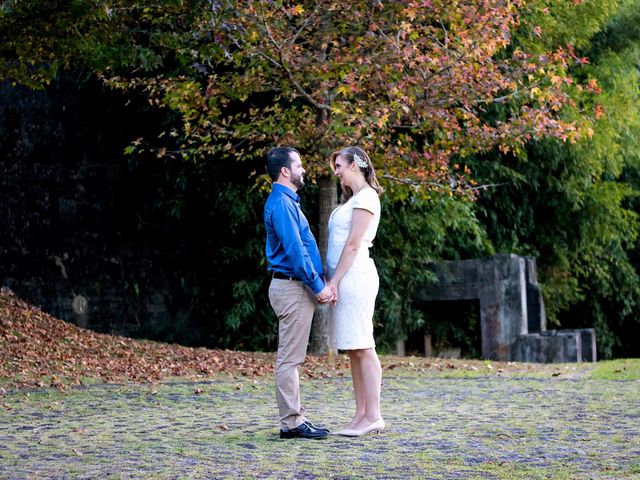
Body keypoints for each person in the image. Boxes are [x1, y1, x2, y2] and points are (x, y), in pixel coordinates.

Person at [264, 146, 335, 440]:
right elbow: (294, 250)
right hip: (291, 287)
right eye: (299, 165)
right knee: (290, 359)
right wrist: (317, 286)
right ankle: (292, 423)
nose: (303, 170)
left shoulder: (287, 201)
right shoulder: (281, 203)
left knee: (292, 358)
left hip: (294, 286)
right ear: (285, 171)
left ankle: (294, 419)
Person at [326, 146, 385, 437]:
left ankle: (373, 415)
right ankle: (360, 414)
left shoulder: (367, 198)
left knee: (363, 344)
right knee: (353, 348)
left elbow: (352, 245)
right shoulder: (350, 201)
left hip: (355, 277)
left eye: (339, 165)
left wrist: (333, 281)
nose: (335, 171)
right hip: (345, 278)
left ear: (355, 165)